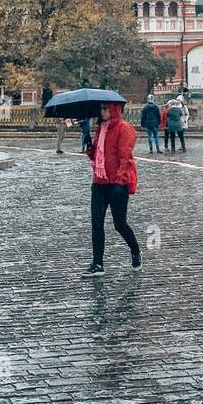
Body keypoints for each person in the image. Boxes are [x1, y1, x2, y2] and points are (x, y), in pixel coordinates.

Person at [83, 101, 141, 275]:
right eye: (101, 109)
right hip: (99, 182)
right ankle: (98, 263)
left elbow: (125, 158)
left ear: (114, 109)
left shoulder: (124, 128)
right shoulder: (101, 129)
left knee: (119, 224)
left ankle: (135, 250)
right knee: (96, 224)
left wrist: (119, 181)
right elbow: (98, 155)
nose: (103, 112)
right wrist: (89, 147)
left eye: (106, 109)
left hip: (117, 184)